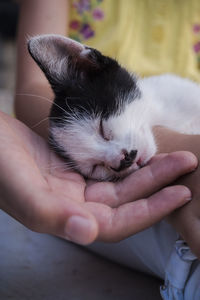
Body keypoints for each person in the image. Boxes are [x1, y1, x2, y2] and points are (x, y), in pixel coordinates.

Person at [2, 0, 199, 298]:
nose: (116, 162)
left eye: (105, 131)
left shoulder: (170, 92)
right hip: (126, 208)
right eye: (96, 168)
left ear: (88, 64)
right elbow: (31, 92)